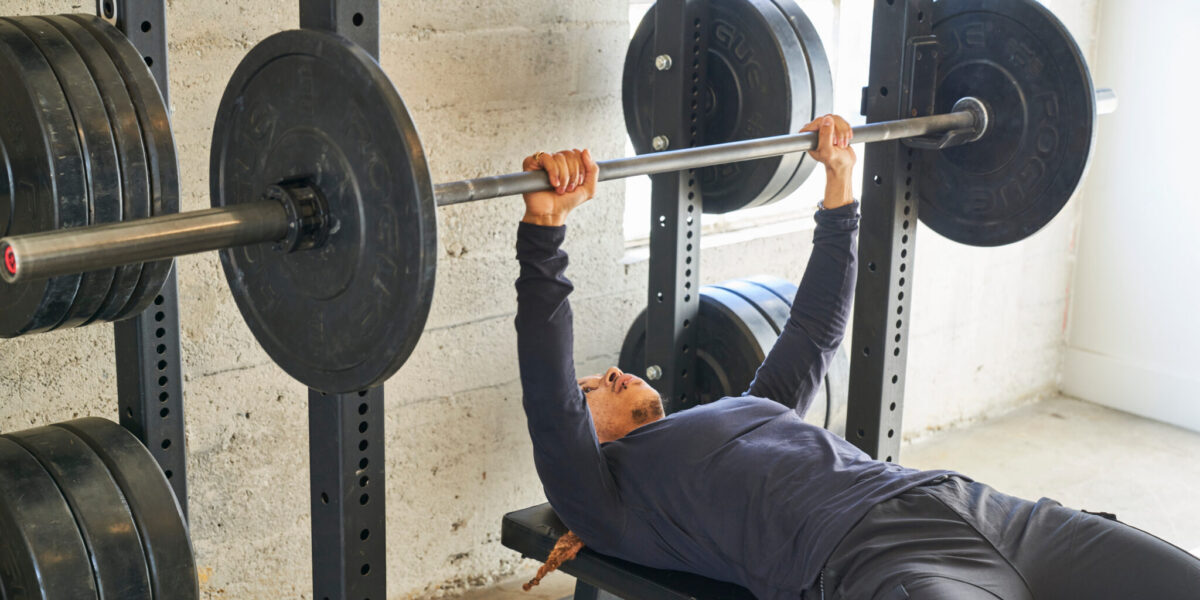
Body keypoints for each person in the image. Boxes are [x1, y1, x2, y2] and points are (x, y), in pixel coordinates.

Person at [512, 115, 1200, 599]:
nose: (609, 373)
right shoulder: (607, 498)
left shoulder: (749, 407)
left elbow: (814, 330)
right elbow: (548, 392)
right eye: (593, 389)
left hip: (984, 512)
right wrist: (546, 231)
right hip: (874, 559)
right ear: (587, 435)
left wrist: (839, 185)